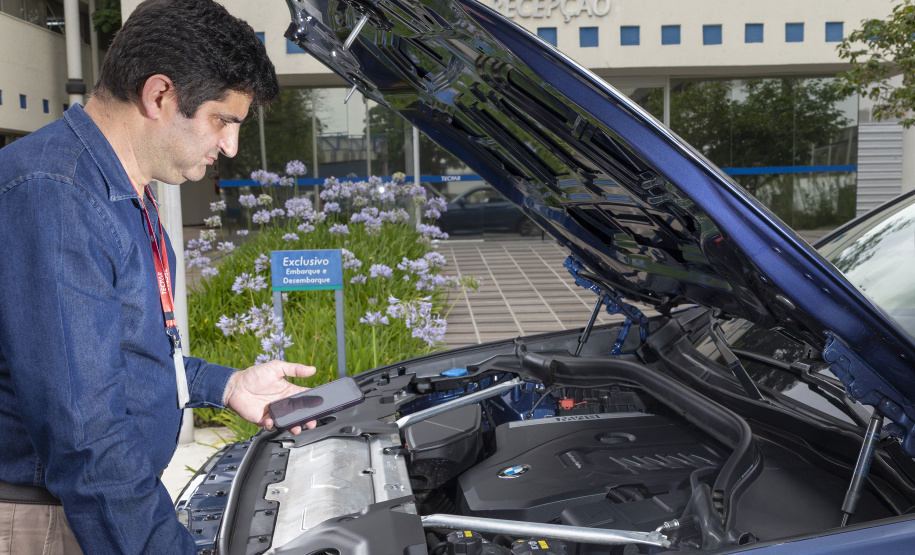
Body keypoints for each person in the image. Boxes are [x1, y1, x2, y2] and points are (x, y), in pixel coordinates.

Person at [0, 0, 315, 552]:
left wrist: (227, 385)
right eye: (223, 120)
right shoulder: (57, 195)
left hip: (97, 508)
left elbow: (118, 356)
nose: (230, 146)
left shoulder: (125, 193)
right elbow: (85, 436)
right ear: (160, 95)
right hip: (51, 521)